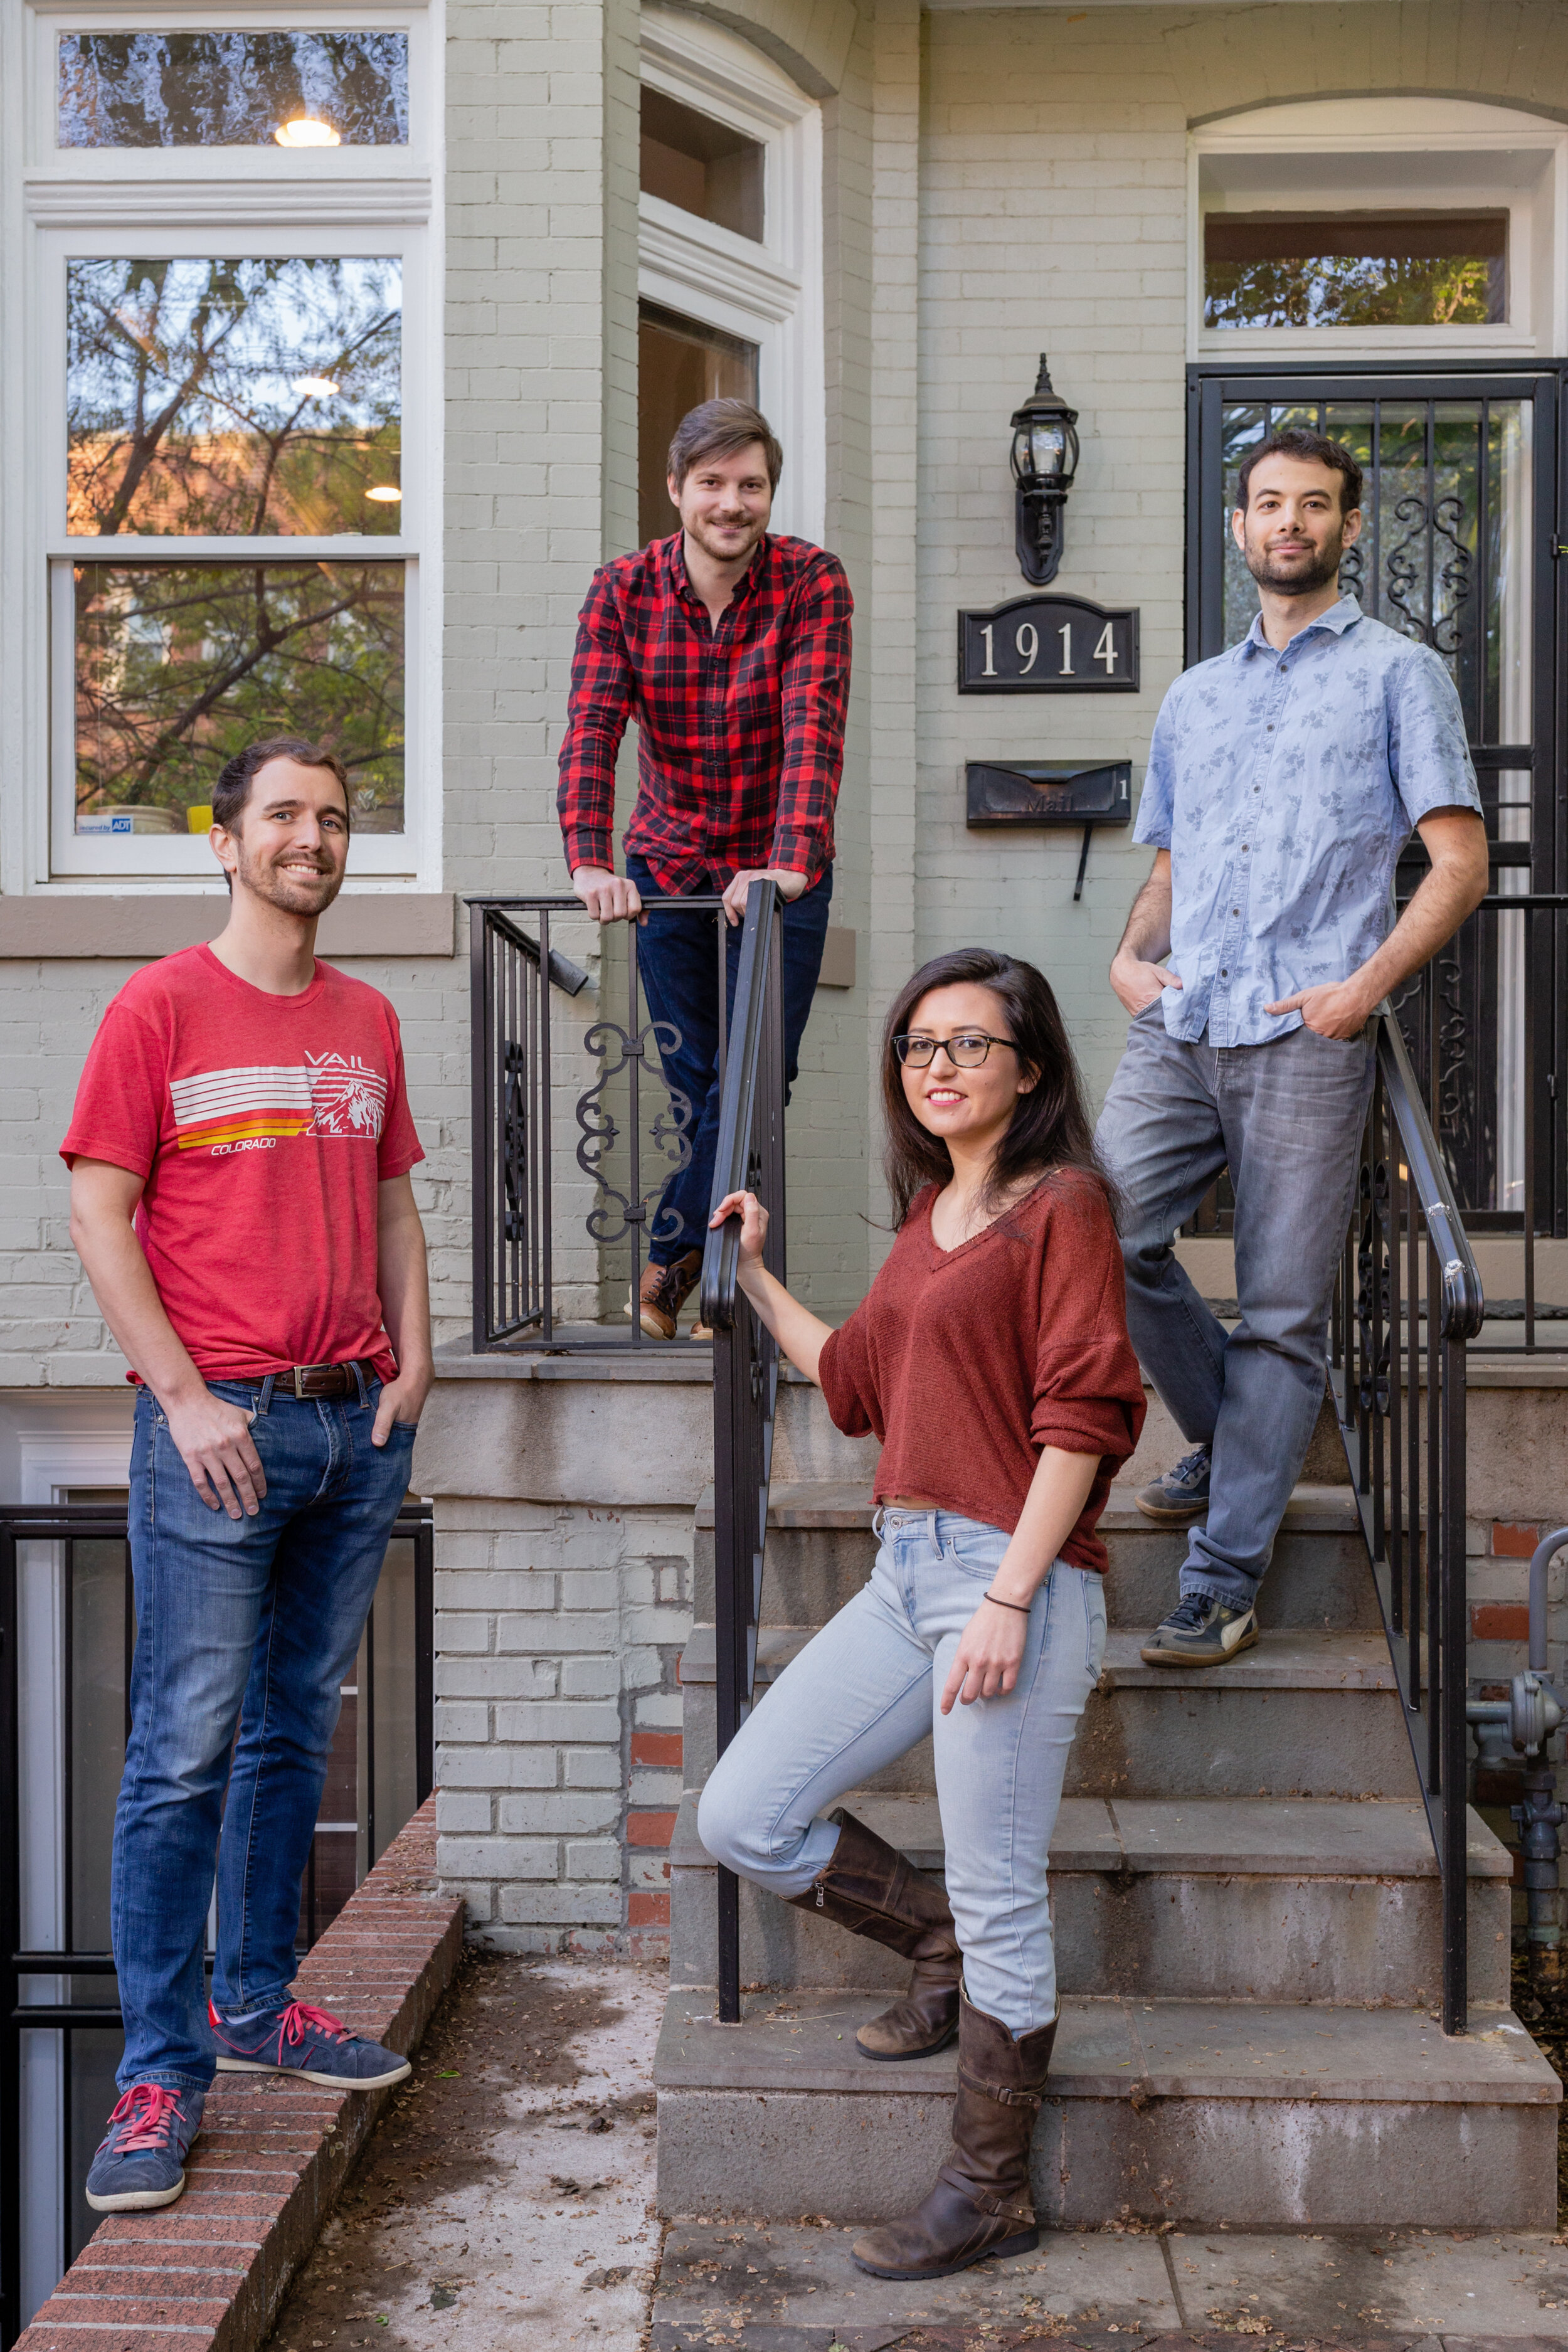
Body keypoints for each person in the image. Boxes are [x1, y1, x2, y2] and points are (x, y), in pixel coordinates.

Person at [697, 948, 1145, 2280]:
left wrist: (1010, 1589)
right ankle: (931, 1946)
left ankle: (985, 2188)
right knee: (740, 1813)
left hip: (1011, 1578)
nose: (938, 1066)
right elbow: (850, 1383)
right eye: (916, 1047)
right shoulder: (925, 1222)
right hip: (903, 1576)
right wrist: (761, 1276)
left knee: (1006, 1887)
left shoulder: (1059, 1206)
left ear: (1030, 1067)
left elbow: (1086, 1412)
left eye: (968, 1043)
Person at [63, 736, 433, 2213]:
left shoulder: (367, 1017)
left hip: (353, 1425)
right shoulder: (157, 1006)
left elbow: (395, 1205)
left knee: (293, 1730)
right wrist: (183, 1397)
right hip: (216, 1433)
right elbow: (103, 1217)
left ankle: (263, 2002)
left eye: (334, 821)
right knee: (181, 1754)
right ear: (224, 843)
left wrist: (418, 1359)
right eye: (284, 816)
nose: (312, 839)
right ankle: (159, 2071)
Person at [1096, 426, 1490, 1669]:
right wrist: (1126, 955)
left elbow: (1459, 865)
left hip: (1302, 1034)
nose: (1287, 524)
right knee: (1092, 1229)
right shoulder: (1192, 695)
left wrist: (1359, 989)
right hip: (1182, 1021)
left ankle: (1221, 1577)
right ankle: (1230, 1428)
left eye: (1311, 506)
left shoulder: (1395, 675)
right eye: (1267, 504)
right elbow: (1171, 859)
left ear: (1347, 528)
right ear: (1237, 525)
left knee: (1277, 1309)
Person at [557, 397, 852, 1338]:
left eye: (752, 485)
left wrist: (789, 863)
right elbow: (594, 730)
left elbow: (814, 726)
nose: (734, 503)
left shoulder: (812, 581)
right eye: (714, 484)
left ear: (770, 492)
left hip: (779, 870)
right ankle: (715, 1262)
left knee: (763, 1071)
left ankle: (675, 1257)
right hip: (670, 867)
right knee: (700, 1080)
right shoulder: (622, 591)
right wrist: (589, 861)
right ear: (677, 489)